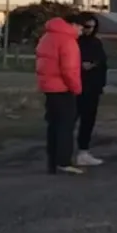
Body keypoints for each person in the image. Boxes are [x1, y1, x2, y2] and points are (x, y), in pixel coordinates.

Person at [36, 15, 83, 175]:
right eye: (81, 28)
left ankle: (52, 162)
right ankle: (64, 161)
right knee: (65, 126)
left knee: (53, 126)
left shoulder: (46, 37)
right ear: (73, 25)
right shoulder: (68, 41)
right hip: (63, 89)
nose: (81, 32)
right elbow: (69, 69)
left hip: (49, 88)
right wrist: (76, 88)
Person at [75, 12, 107, 166]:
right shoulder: (73, 42)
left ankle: (83, 151)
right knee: (69, 120)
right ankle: (62, 152)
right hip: (75, 86)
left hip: (92, 88)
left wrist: (100, 84)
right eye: (87, 27)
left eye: (93, 27)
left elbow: (103, 63)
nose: (90, 30)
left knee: (88, 121)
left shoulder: (96, 43)